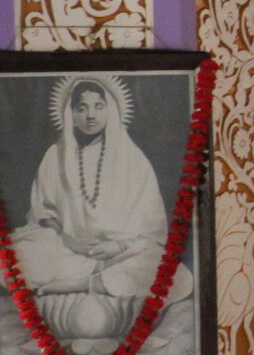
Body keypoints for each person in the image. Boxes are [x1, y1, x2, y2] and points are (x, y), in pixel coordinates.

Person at [12, 77, 193, 313]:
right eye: (82, 107)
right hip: (69, 254)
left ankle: (85, 284)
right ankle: (97, 280)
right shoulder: (55, 155)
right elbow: (43, 212)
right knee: (14, 258)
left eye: (98, 106)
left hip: (122, 256)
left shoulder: (133, 158)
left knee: (176, 276)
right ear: (71, 114)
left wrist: (118, 247)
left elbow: (151, 227)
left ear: (111, 110)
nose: (90, 115)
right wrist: (70, 241)